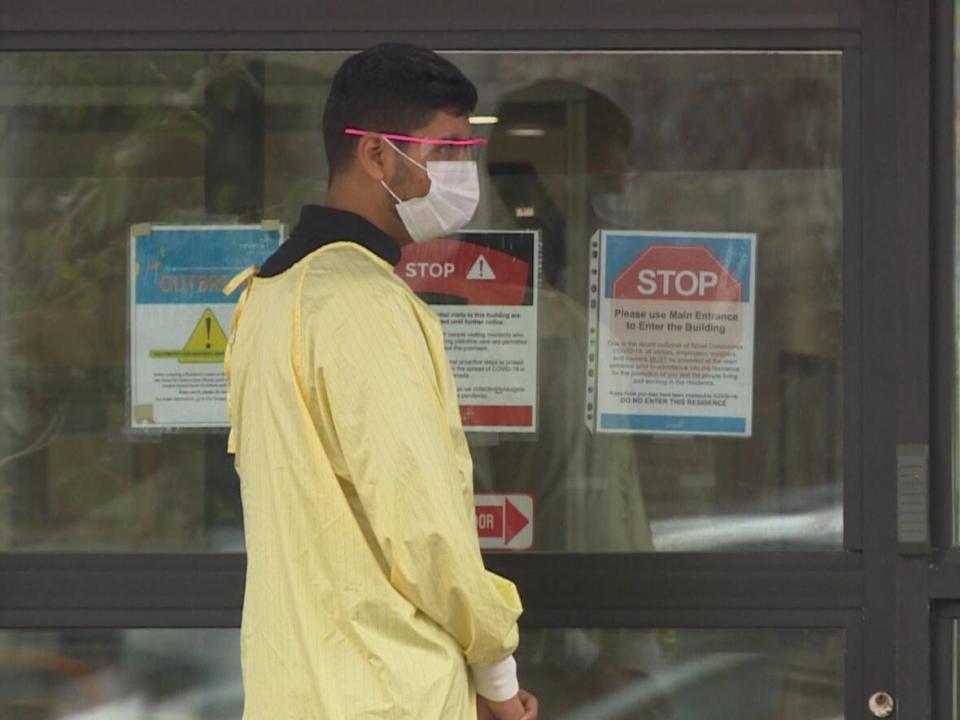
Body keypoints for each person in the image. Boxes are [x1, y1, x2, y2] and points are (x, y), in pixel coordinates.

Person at [223, 43, 538, 720]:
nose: (463, 171)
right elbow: (425, 531)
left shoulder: (267, 294)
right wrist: (497, 676)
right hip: (388, 692)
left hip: (294, 689)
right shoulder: (367, 305)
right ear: (375, 156)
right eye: (446, 149)